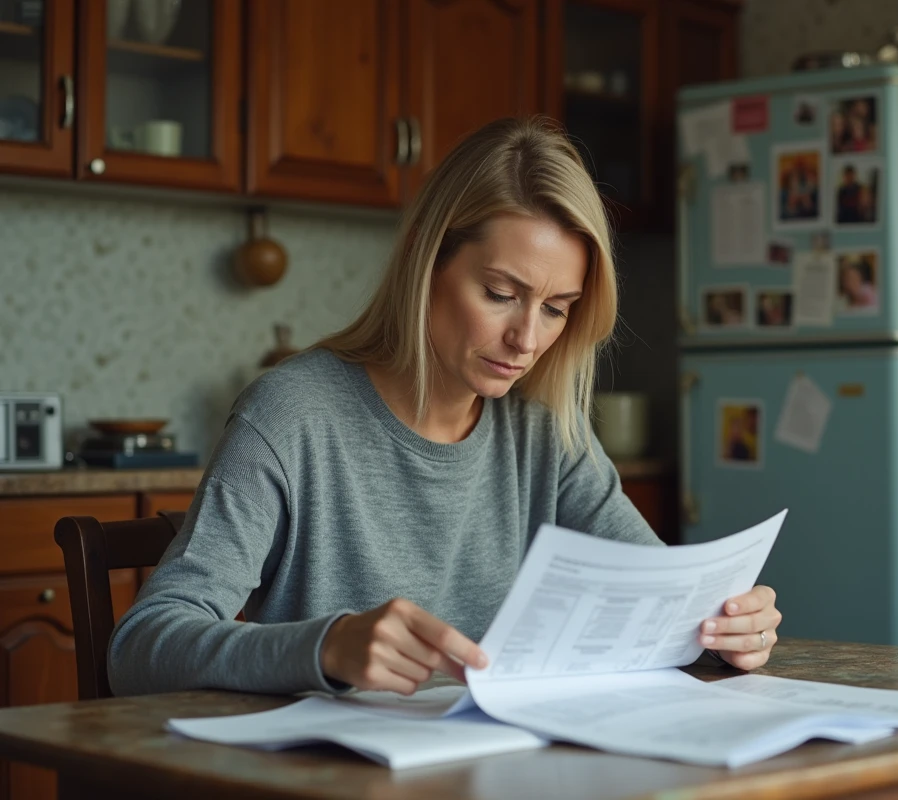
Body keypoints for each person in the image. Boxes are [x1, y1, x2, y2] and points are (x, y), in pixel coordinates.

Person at [107, 117, 783, 697]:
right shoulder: (291, 415)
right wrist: (327, 647)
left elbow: (660, 604)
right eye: (499, 293)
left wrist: (725, 629)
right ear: (428, 263)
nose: (527, 339)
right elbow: (142, 645)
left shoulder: (543, 433)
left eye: (555, 310)